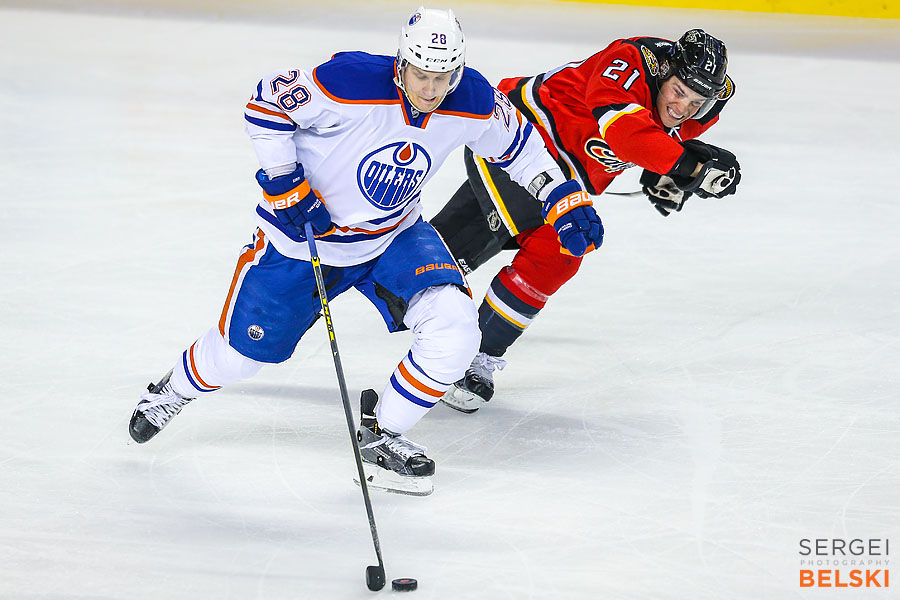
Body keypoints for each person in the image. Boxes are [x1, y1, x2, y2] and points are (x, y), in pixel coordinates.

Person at [127, 6, 603, 496]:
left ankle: (384, 434)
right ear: (402, 62)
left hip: (395, 235)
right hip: (304, 242)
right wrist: (285, 183)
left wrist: (562, 198)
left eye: (443, 77)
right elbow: (266, 105)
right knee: (241, 357)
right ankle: (172, 390)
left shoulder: (474, 98)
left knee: (456, 331)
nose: (430, 89)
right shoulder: (349, 80)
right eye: (421, 74)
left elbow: (520, 147)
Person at [431, 29, 741, 413]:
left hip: (564, 182)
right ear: (664, 71)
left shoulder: (707, 102)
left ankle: (463, 347)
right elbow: (626, 133)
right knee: (552, 247)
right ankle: (459, 353)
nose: (682, 107)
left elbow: (666, 136)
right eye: (678, 91)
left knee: (433, 262)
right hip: (518, 144)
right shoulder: (628, 60)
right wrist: (688, 168)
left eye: (696, 102)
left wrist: (665, 170)